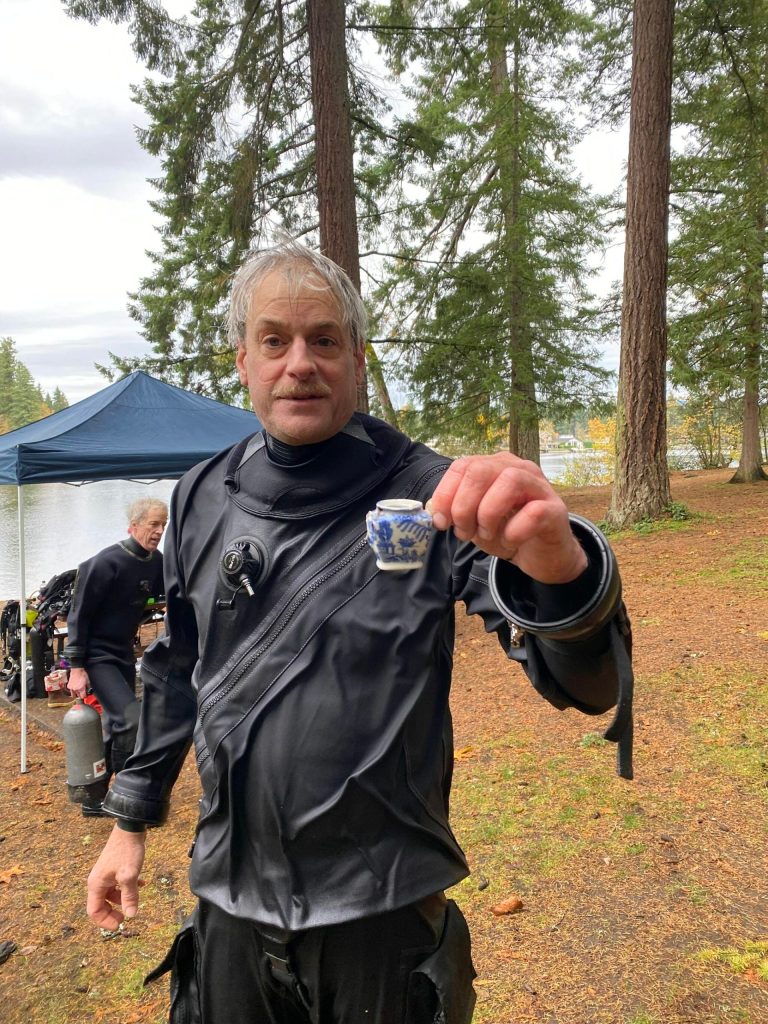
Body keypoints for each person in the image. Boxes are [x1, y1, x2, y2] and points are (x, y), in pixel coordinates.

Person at [85, 243, 632, 1024]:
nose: (299, 363)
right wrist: (130, 822)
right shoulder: (201, 495)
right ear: (242, 359)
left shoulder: (432, 493)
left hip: (384, 923)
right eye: (275, 340)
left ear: (357, 358)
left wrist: (559, 568)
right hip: (229, 911)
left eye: (325, 341)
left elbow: (585, 684)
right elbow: (178, 669)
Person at [65, 497, 168, 816]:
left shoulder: (156, 561)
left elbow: (171, 593)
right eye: (153, 524)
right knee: (130, 720)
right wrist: (76, 667)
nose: (159, 531)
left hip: (122, 652)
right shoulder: (105, 563)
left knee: (116, 725)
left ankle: (94, 798)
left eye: (163, 525)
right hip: (97, 656)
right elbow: (78, 616)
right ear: (133, 525)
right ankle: (125, 792)